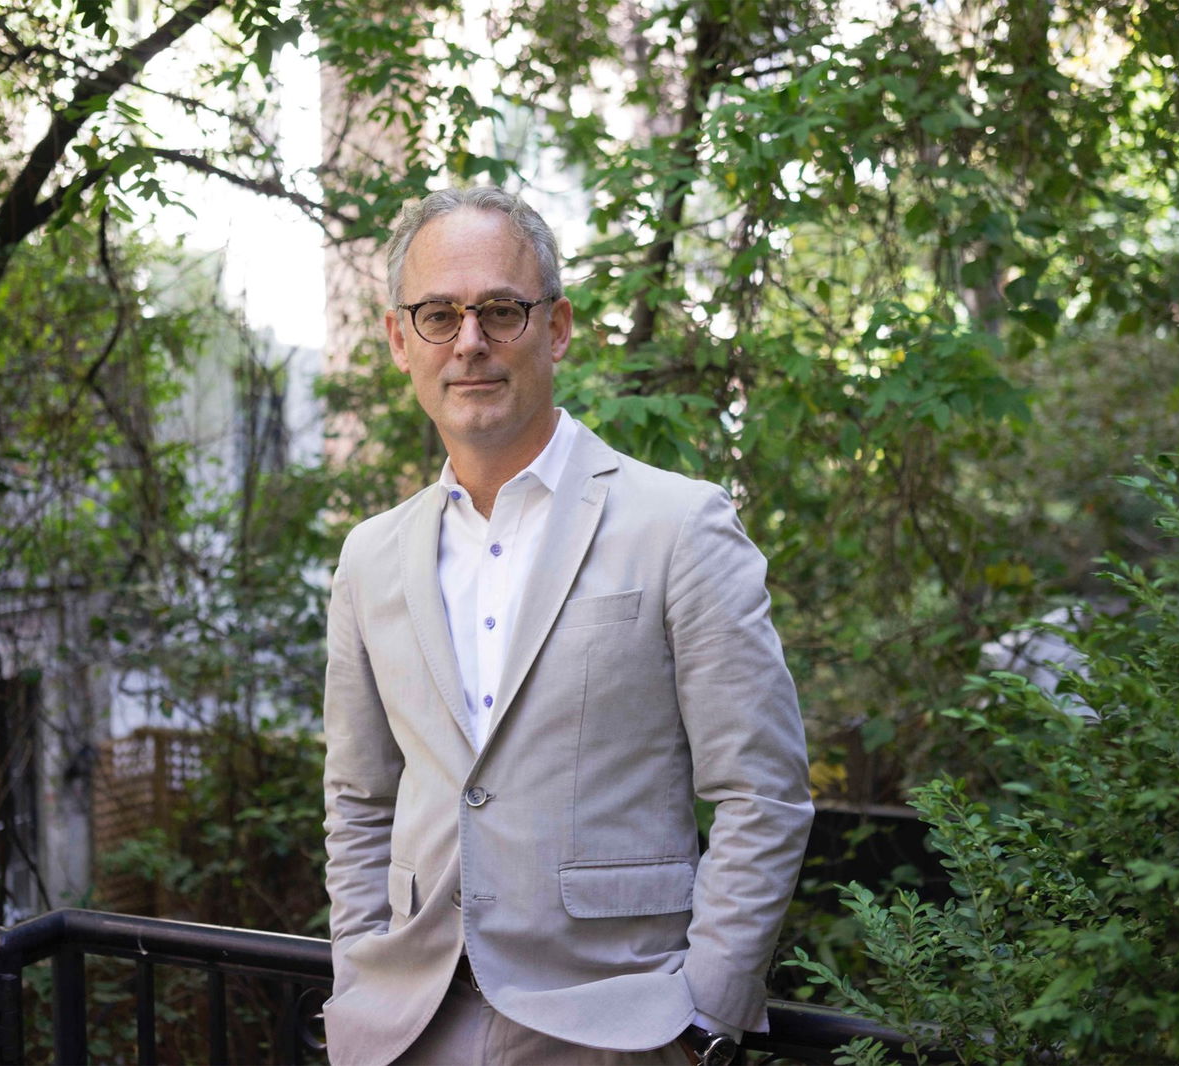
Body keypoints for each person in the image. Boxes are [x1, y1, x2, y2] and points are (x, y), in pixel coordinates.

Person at [321, 185, 813, 1066]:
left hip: (620, 1029)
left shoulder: (680, 527)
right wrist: (359, 974)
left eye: (500, 311)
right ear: (401, 340)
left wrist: (707, 1017)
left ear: (555, 329)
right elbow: (359, 800)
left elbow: (763, 792)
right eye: (438, 315)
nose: (469, 342)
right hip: (410, 1030)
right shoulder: (369, 558)